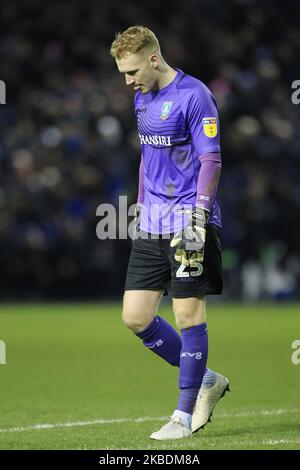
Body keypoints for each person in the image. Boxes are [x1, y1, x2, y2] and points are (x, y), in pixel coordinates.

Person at [110, 26, 230, 440]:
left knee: (186, 314)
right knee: (136, 317)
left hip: (189, 223)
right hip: (152, 222)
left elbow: (211, 159)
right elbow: (148, 156)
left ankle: (182, 416)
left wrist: (198, 214)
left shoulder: (194, 96)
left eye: (131, 71)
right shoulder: (142, 99)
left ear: (153, 59)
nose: (128, 81)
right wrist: (142, 202)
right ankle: (207, 379)